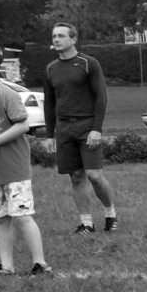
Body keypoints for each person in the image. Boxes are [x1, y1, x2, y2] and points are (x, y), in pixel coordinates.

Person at [0, 47, 53, 277]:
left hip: (13, 166)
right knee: (0, 219)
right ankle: (7, 266)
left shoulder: (5, 93)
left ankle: (40, 264)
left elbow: (23, 125)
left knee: (22, 216)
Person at [42, 22, 118, 234]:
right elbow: (49, 103)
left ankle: (111, 214)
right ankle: (87, 224)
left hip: (87, 126)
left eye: (61, 36)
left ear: (74, 39)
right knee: (76, 176)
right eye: (54, 36)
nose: (56, 39)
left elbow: (101, 97)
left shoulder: (88, 63)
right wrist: (49, 135)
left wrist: (97, 129)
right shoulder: (50, 68)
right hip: (64, 129)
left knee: (94, 175)